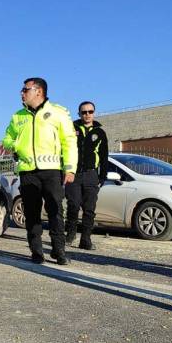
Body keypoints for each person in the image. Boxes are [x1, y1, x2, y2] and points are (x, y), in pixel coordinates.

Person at [2, 77, 77, 265]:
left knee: (55, 211)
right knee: (32, 213)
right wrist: (16, 144)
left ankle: (59, 251)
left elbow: (69, 141)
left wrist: (70, 168)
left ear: (38, 91)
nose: (22, 93)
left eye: (25, 89)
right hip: (28, 172)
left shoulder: (58, 113)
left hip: (51, 171)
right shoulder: (17, 116)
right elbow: (7, 139)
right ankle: (36, 252)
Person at [65, 101, 108, 250]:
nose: (87, 114)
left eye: (90, 111)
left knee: (89, 209)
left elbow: (104, 156)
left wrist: (102, 177)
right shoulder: (71, 129)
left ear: (94, 113)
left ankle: (86, 239)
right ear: (79, 114)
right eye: (84, 112)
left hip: (91, 175)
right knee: (73, 205)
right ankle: (70, 235)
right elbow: (64, 150)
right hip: (73, 174)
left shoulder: (100, 133)